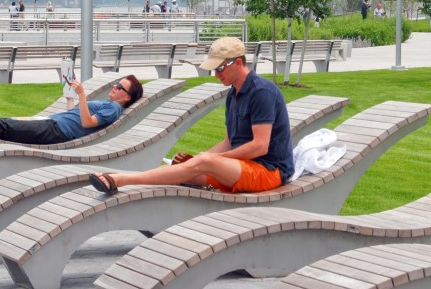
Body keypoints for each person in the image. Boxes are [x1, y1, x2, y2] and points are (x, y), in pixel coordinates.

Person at [89, 37, 293, 196]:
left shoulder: (262, 92)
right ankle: (133, 190)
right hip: (240, 169)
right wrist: (195, 162)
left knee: (200, 163)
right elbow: (229, 142)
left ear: (238, 63)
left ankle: (120, 180)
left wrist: (211, 160)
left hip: (268, 171)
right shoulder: (234, 94)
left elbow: (260, 146)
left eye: (220, 68)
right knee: (183, 170)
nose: (216, 74)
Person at [0, 74, 143, 145]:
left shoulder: (113, 108)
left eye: (119, 87)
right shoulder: (109, 104)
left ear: (127, 97)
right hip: (51, 124)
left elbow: (86, 123)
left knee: (0, 127)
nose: (114, 87)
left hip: (55, 132)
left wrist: (83, 95)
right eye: (116, 83)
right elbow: (78, 116)